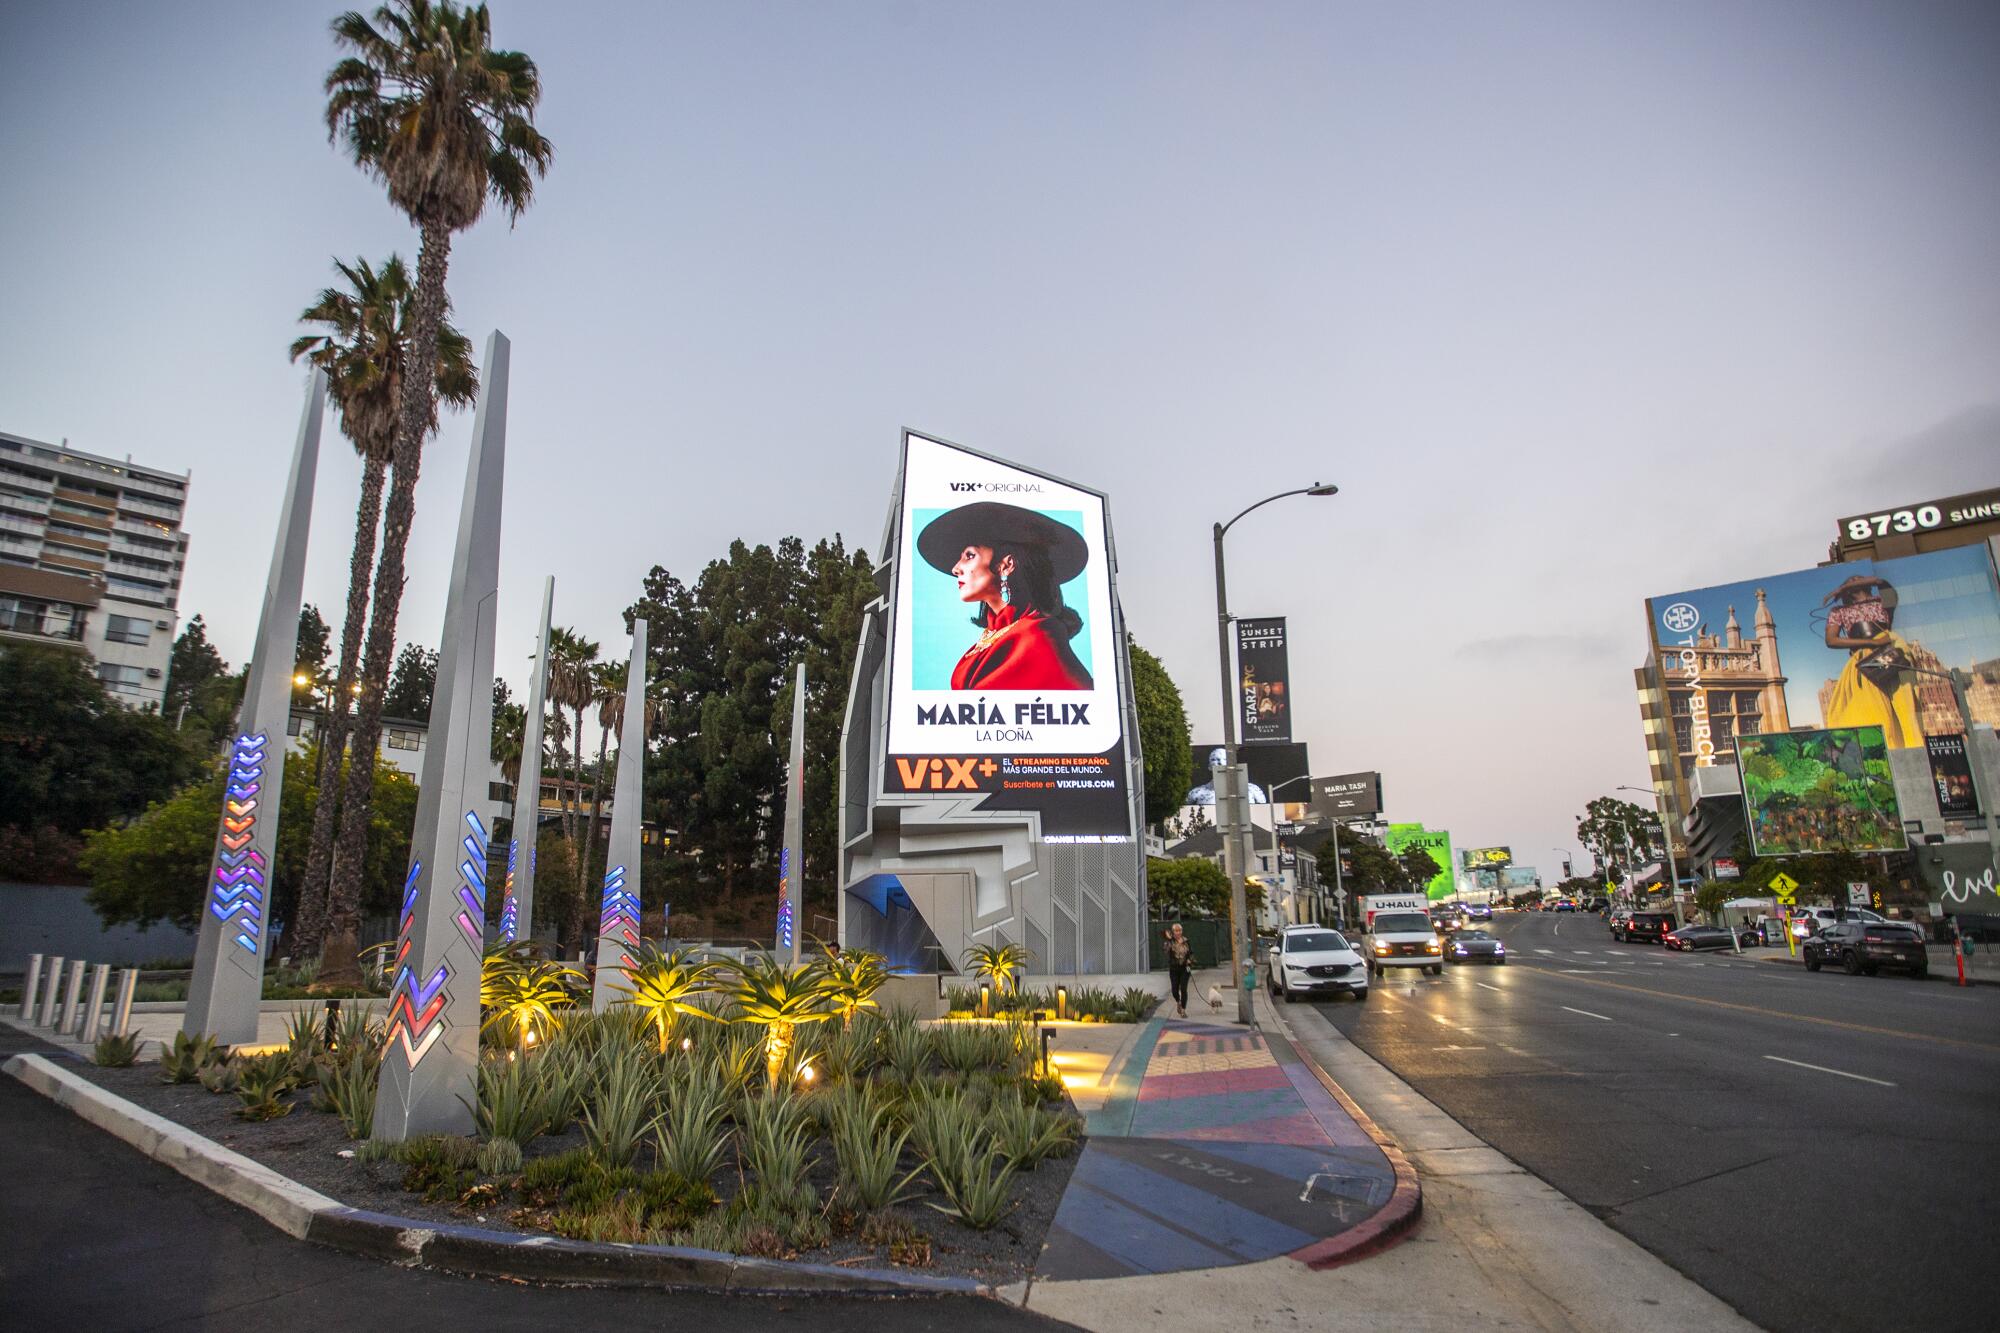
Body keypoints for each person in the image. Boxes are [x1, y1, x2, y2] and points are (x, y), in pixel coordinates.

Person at [915, 501, 1094, 691]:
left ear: (1006, 565)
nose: (955, 568)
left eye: (969, 556)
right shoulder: (993, 635)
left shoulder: (1038, 636)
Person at [1818, 572, 1926, 747]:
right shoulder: (1838, 611)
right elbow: (1831, 640)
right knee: (1873, 709)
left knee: (1905, 706)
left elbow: (1883, 582)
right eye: (1848, 581)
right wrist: (1872, 642)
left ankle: (1913, 748)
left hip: (1891, 652)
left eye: (1858, 579)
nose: (1853, 580)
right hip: (1864, 659)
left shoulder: (1882, 602)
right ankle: (1882, 749)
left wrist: (1845, 586)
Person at [1163, 923, 1193, 1018]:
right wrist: (1169, 939)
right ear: (1173, 932)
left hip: (1185, 968)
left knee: (1184, 989)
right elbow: (1165, 950)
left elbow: (1191, 953)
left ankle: (1183, 1010)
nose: (1178, 932)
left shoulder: (1186, 941)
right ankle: (1178, 1001)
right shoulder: (1169, 942)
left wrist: (1190, 960)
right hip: (1174, 969)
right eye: (1176, 930)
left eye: (1179, 930)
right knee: (1174, 990)